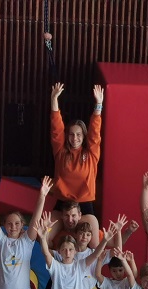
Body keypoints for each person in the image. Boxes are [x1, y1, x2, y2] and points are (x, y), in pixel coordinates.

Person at [50, 82, 103, 212]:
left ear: (84, 136)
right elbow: (56, 128)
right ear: (67, 136)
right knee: (47, 225)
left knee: (92, 225)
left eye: (78, 135)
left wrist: (99, 104)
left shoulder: (91, 154)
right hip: (63, 201)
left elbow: (95, 132)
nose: (75, 138)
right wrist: (54, 99)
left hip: (85, 202)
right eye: (71, 134)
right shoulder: (61, 151)